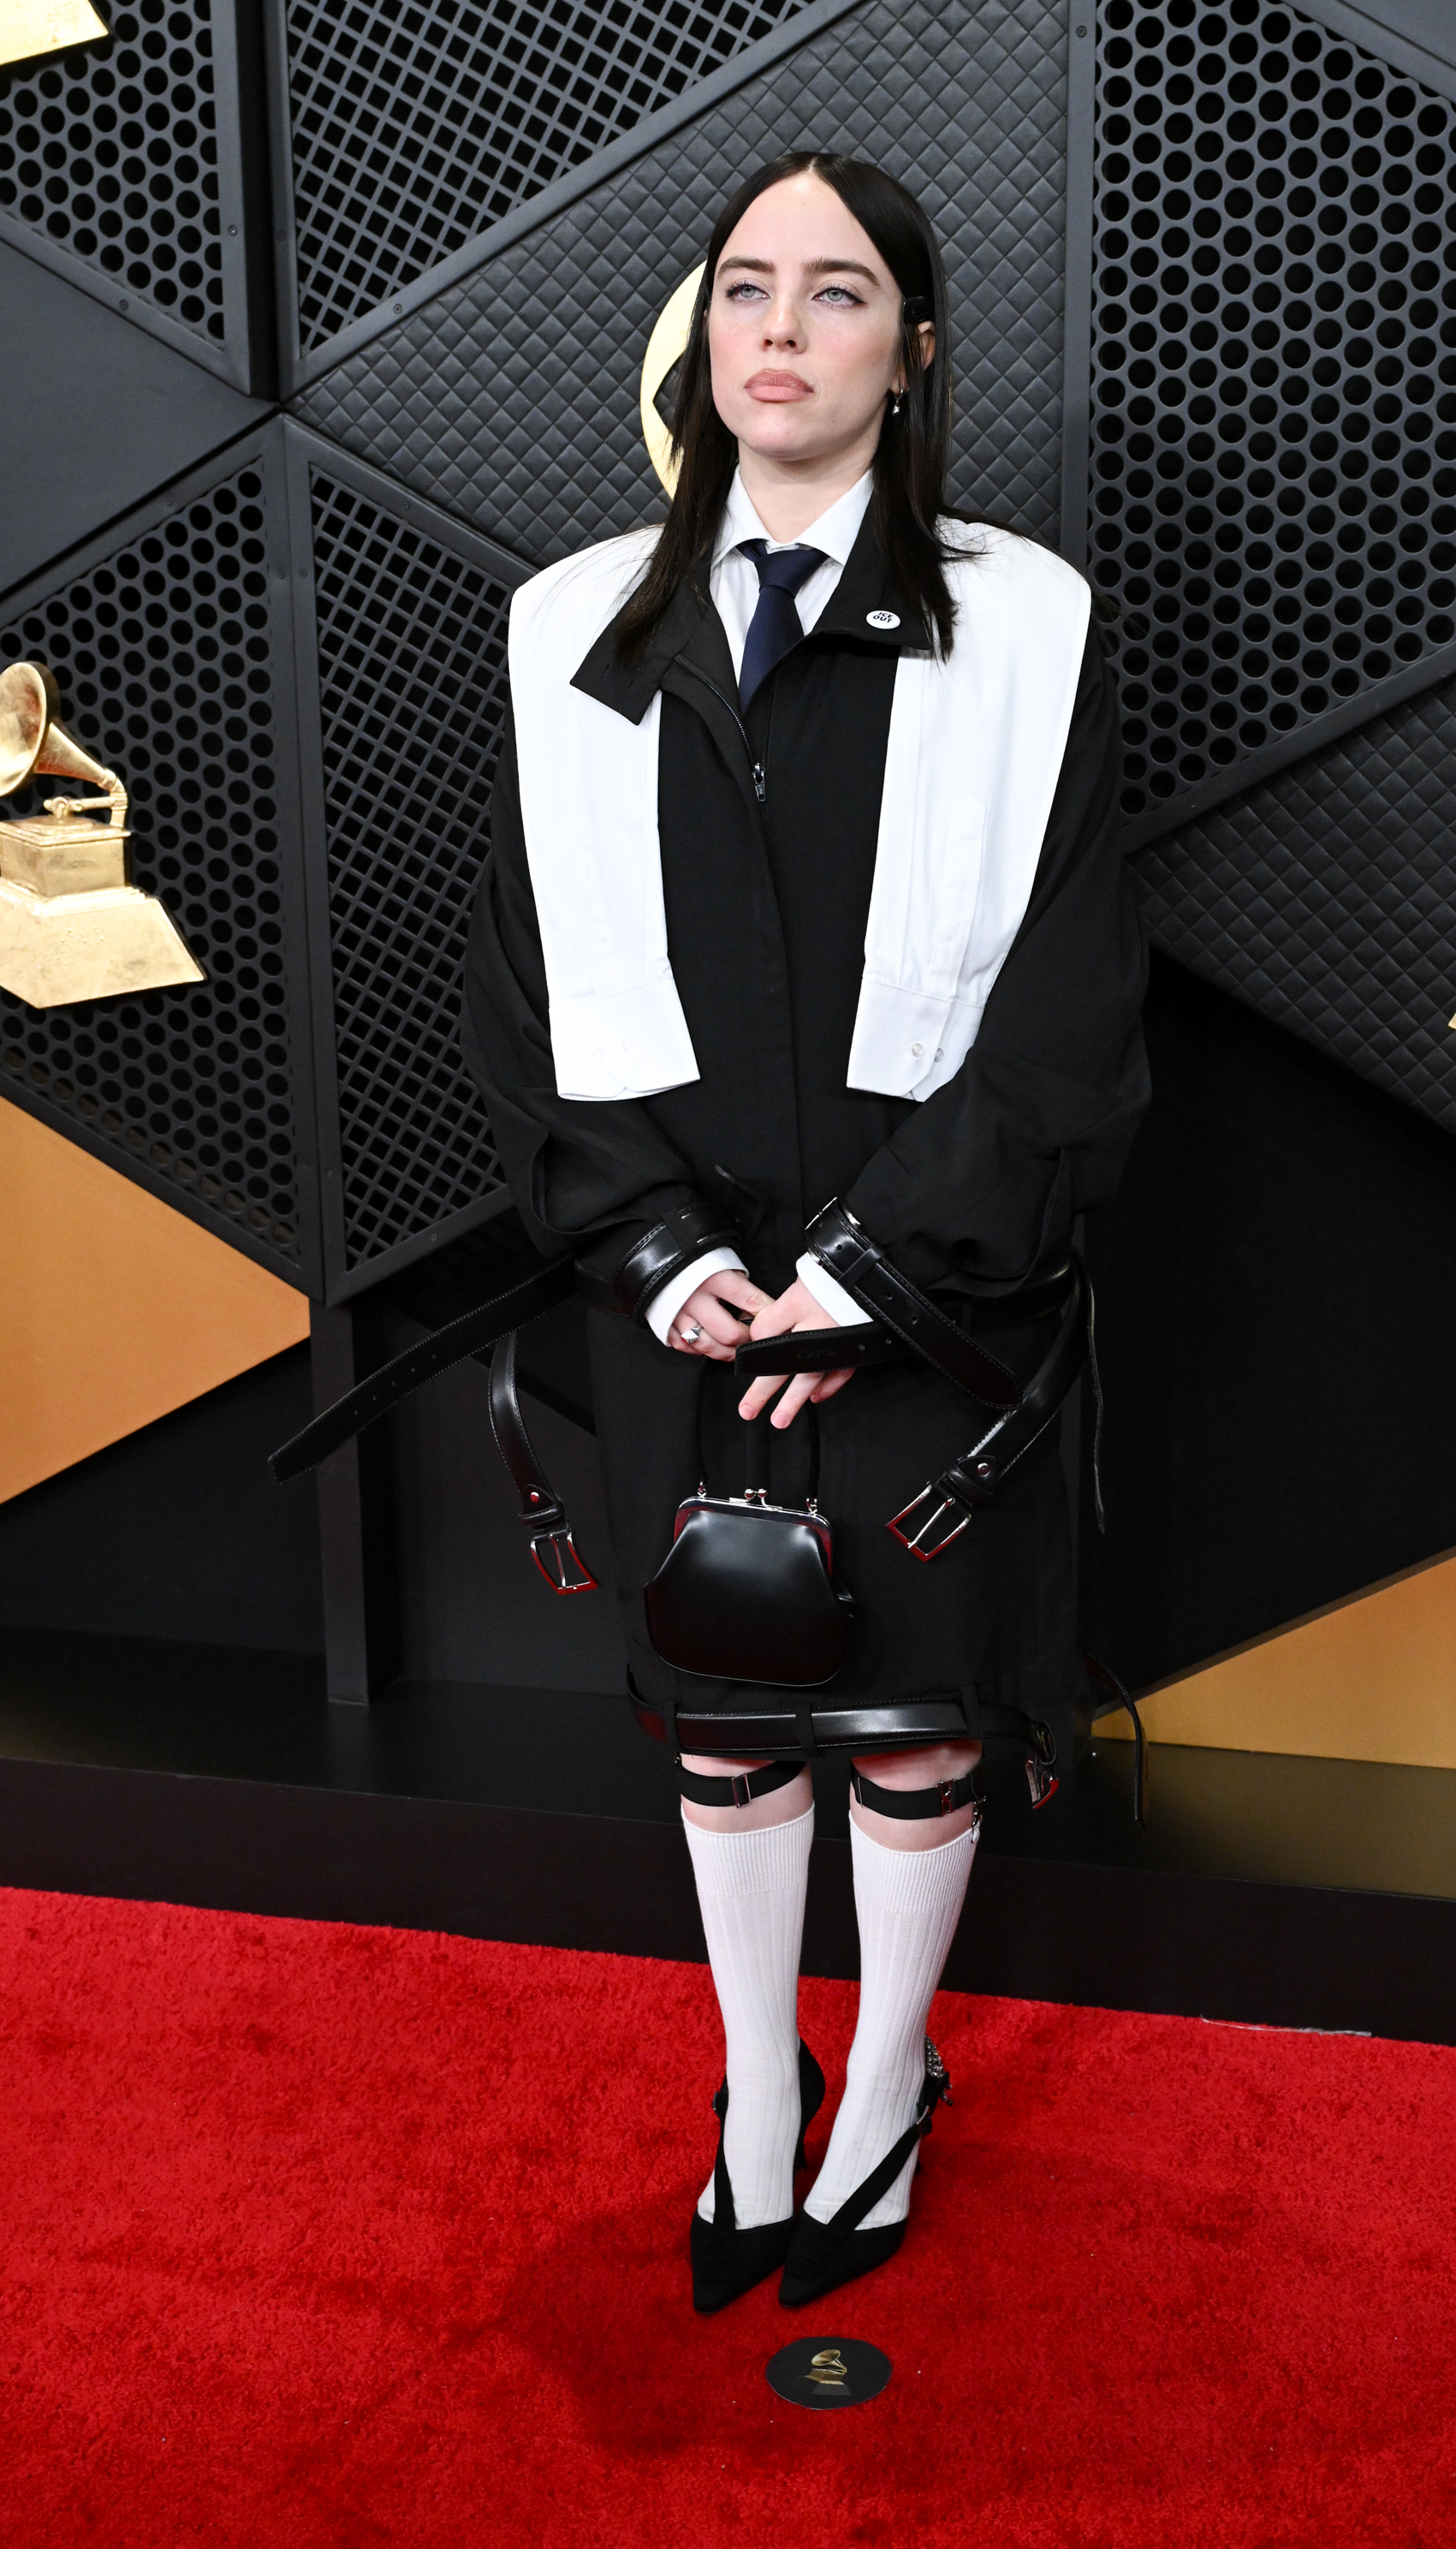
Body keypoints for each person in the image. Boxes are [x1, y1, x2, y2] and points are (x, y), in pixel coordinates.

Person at [461, 151, 1149, 2313]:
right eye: (744, 288)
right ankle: (762, 2086)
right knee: (728, 1710)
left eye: (834, 292)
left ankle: (889, 2085)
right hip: (683, 1289)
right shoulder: (571, 625)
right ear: (701, 344)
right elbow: (522, 981)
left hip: (920, 1292)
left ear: (907, 349)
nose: (780, 326)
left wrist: (874, 1272)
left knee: (919, 1725)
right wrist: (657, 1253)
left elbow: (1071, 989)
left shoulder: (1021, 619)